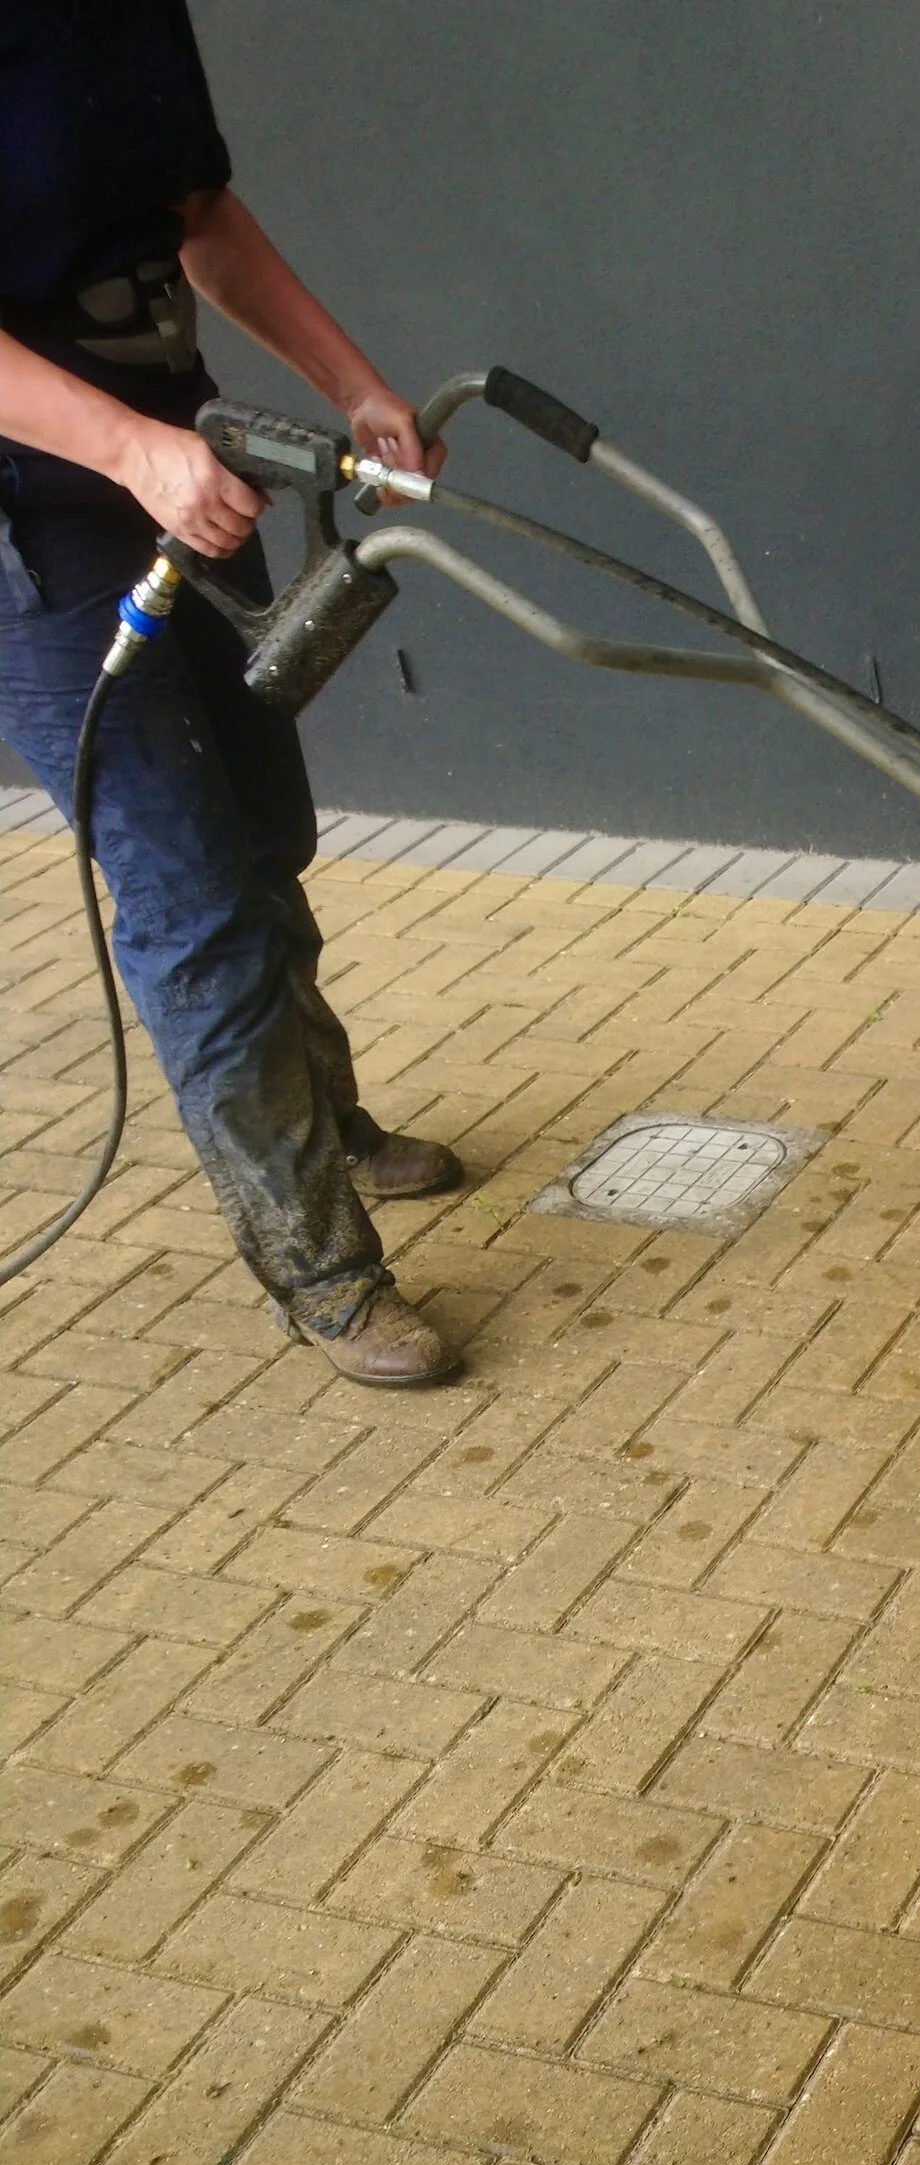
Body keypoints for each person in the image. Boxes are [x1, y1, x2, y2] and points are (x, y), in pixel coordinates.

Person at [1, 0, 464, 1384]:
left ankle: (326, 1122)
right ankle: (320, 1265)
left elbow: (205, 220)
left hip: (187, 462)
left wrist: (357, 384)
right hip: (42, 505)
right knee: (190, 895)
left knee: (269, 831)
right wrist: (128, 454)